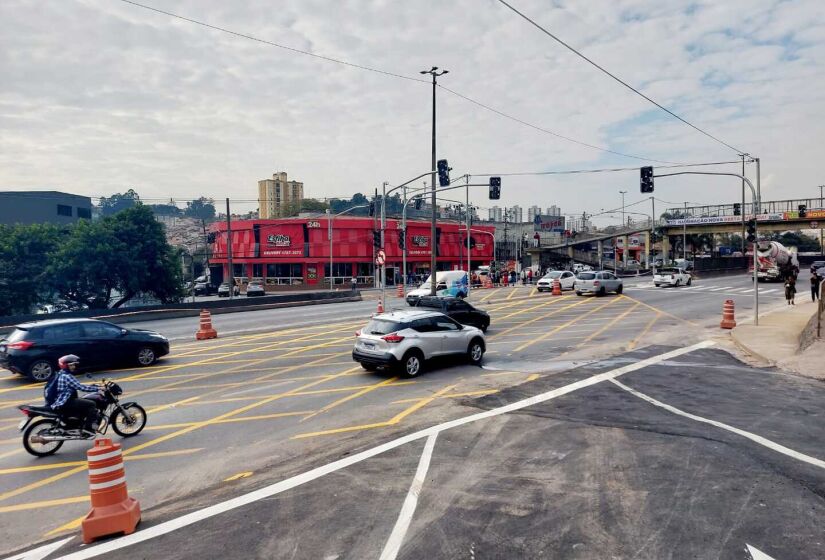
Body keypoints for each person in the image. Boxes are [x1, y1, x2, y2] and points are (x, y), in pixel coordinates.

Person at [43, 355, 101, 435]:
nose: (73, 367)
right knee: (92, 404)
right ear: (65, 366)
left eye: (74, 365)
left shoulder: (60, 373)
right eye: (71, 365)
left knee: (83, 402)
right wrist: (98, 388)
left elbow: (75, 385)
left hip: (59, 401)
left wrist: (92, 386)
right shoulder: (67, 376)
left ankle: (80, 423)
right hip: (65, 401)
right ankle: (88, 429)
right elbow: (80, 387)